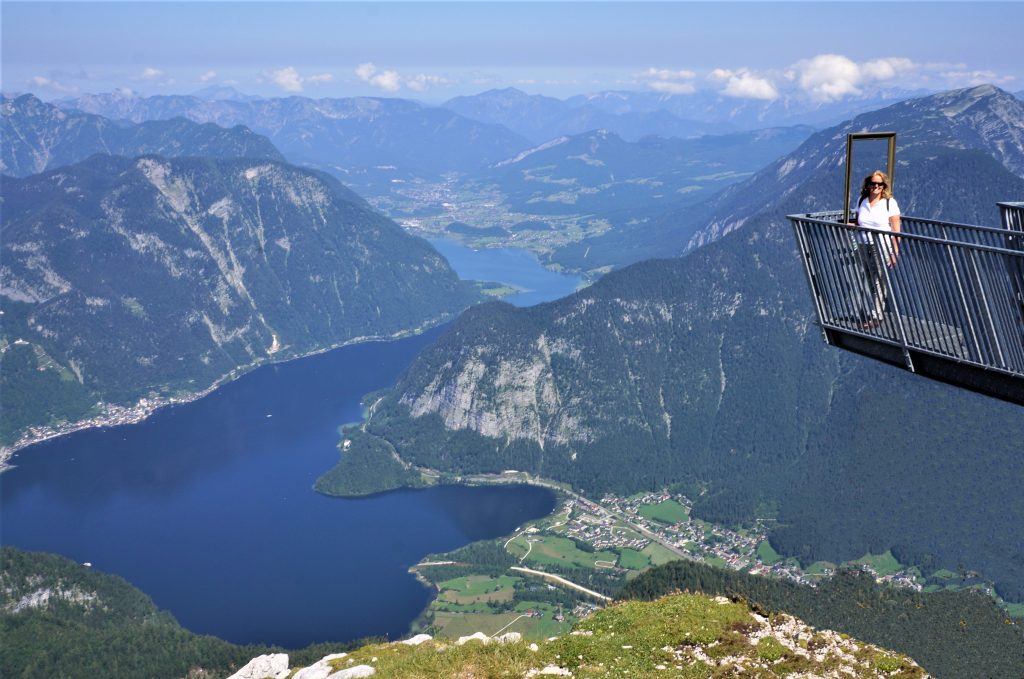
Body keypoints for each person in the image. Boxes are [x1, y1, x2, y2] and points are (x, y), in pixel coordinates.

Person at [852, 170, 901, 329]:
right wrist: (852, 226)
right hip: (863, 243)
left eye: (879, 184)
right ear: (868, 184)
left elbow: (895, 229)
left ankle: (877, 316)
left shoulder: (889, 203)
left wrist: (895, 252)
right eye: (873, 183)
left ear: (884, 186)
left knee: (879, 279)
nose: (876, 186)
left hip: (882, 245)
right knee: (869, 278)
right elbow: (861, 223)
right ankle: (875, 311)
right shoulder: (862, 200)